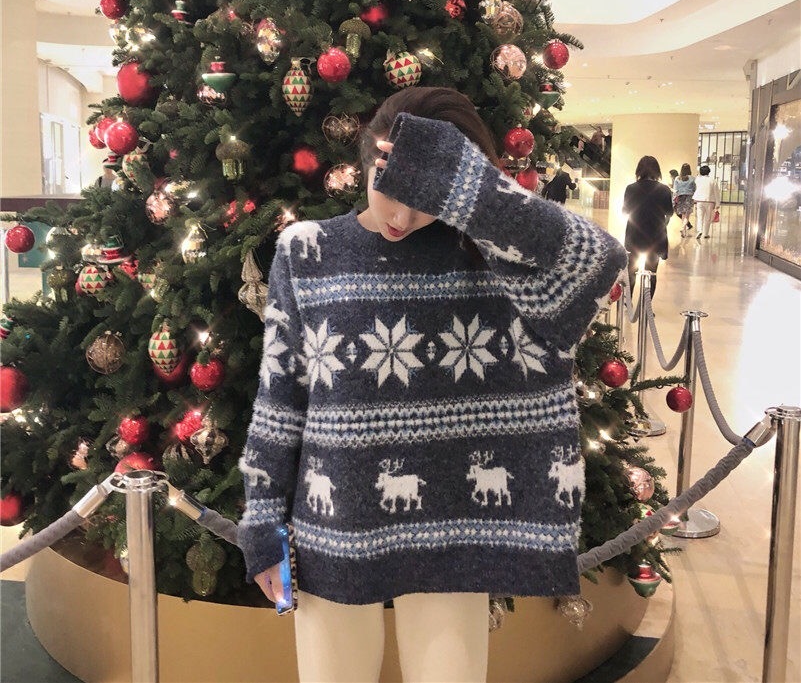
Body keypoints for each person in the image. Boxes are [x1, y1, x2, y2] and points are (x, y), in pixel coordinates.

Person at [237, 87, 627, 683]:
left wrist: (471, 187)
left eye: (423, 202)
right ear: (366, 159)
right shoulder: (307, 251)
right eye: (387, 188)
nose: (400, 217)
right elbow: (280, 393)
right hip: (335, 528)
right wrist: (262, 519)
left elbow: (599, 260)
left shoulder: (496, 262)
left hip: (456, 533)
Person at [622, 155, 673, 298]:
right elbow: (669, 212)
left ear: (639, 170)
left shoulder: (631, 188)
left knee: (631, 270)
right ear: (657, 171)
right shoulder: (664, 189)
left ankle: (627, 303)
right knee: (651, 272)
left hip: (634, 234)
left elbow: (625, 211)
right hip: (656, 235)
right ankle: (647, 304)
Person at [692, 165, 721, 240]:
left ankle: (699, 231)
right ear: (709, 172)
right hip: (710, 201)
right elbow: (716, 192)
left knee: (700, 217)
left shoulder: (698, 180)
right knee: (708, 218)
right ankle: (706, 233)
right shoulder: (713, 180)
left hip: (699, 200)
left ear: (700, 172)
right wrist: (718, 203)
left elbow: (695, 187)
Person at [672, 163, 696, 236]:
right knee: (687, 215)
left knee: (683, 214)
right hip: (689, 197)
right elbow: (694, 189)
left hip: (680, 197)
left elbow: (675, 190)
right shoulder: (692, 178)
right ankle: (683, 228)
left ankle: (684, 232)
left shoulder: (677, 178)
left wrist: (673, 200)